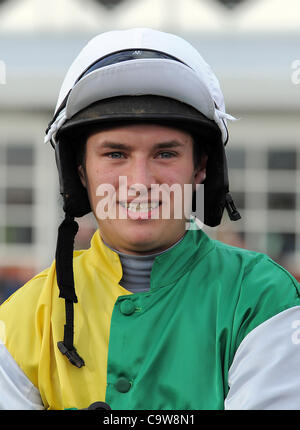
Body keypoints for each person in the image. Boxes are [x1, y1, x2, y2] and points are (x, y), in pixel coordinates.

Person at [0, 27, 300, 411]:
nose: (140, 183)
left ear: (200, 167)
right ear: (79, 172)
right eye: (115, 154)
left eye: (165, 154)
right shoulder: (21, 318)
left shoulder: (262, 298)